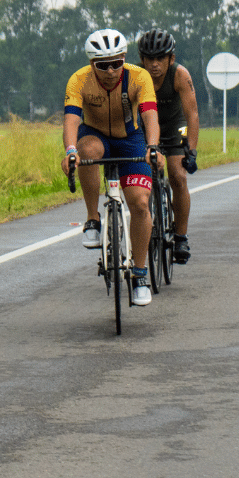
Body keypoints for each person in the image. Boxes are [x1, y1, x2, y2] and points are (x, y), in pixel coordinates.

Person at [61, 28, 160, 306]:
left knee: (140, 204)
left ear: (124, 59)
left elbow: (150, 114)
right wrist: (70, 151)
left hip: (131, 139)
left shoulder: (139, 77)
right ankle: (92, 218)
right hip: (95, 135)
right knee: (87, 151)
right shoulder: (79, 79)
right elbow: (71, 119)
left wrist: (153, 146)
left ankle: (139, 275)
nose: (110, 71)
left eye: (116, 63)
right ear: (91, 64)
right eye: (102, 65)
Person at [137, 28, 199, 263]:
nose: (154, 64)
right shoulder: (134, 75)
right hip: (145, 126)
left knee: (178, 176)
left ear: (171, 58)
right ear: (142, 59)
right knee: (142, 177)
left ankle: (181, 236)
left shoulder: (179, 75)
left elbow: (192, 114)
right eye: (149, 58)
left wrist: (191, 150)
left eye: (160, 58)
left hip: (174, 125)